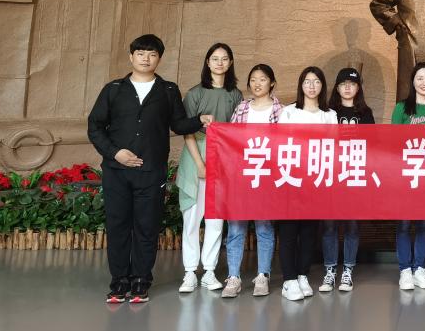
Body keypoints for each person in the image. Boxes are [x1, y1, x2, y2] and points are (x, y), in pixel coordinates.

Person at [87, 34, 207, 304]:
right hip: (116, 171)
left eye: (152, 54)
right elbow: (95, 127)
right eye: (140, 53)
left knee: (147, 227)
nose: (146, 58)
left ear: (159, 59)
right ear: (131, 57)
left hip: (152, 172)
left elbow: (178, 124)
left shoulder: (168, 90)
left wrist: (199, 120)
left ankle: (141, 281)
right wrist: (115, 153)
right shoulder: (113, 89)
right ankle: (119, 282)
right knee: (118, 226)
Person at [177, 42, 243, 294]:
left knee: (216, 217)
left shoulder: (235, 95)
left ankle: (209, 271)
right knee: (192, 217)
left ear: (230, 63)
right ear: (207, 62)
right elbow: (187, 131)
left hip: (224, 157)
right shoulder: (195, 93)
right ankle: (189, 271)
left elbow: (237, 132)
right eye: (215, 58)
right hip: (196, 155)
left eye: (224, 58)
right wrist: (199, 164)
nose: (219, 63)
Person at [220, 64, 282, 299]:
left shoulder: (280, 111)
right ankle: (233, 277)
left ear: (272, 83)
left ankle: (263, 275)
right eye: (253, 79)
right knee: (236, 227)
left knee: (264, 226)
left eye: (263, 79)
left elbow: (285, 143)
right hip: (241, 174)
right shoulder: (242, 108)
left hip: (267, 175)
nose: (257, 84)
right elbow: (230, 139)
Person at [277, 66, 338, 302]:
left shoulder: (329, 115)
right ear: (301, 85)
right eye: (307, 81)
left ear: (323, 86)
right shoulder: (289, 112)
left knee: (309, 230)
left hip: (316, 179)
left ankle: (302, 274)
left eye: (316, 82)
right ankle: (289, 279)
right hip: (291, 178)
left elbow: (333, 148)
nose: (311, 86)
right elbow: (279, 144)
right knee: (289, 230)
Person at [391, 61, 425, 291]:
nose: (424, 82)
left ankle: (419, 267)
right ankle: (405, 270)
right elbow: (392, 143)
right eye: (420, 78)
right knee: (403, 224)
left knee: (424, 223)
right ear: (413, 82)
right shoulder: (402, 108)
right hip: (405, 174)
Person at [324, 67, 375, 292]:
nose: (347, 87)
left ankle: (348, 270)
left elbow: (373, 144)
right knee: (329, 225)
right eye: (343, 84)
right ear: (337, 88)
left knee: (352, 224)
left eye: (352, 84)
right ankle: (330, 270)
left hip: (355, 175)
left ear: (358, 88)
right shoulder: (328, 112)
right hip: (331, 175)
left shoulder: (365, 113)